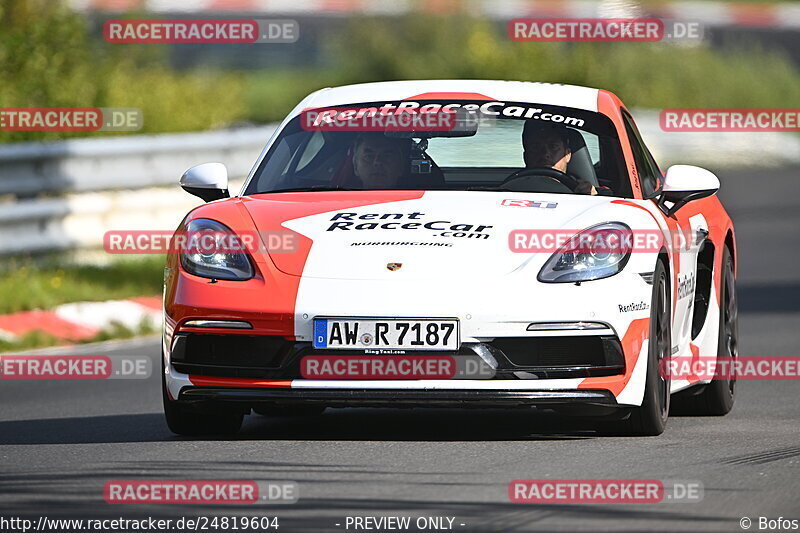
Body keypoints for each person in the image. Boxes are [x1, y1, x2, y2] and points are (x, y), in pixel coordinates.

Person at [522, 122, 597, 195]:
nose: (545, 154)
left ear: (567, 155)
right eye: (536, 147)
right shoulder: (510, 190)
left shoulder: (593, 194)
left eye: (553, 146)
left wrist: (593, 198)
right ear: (525, 157)